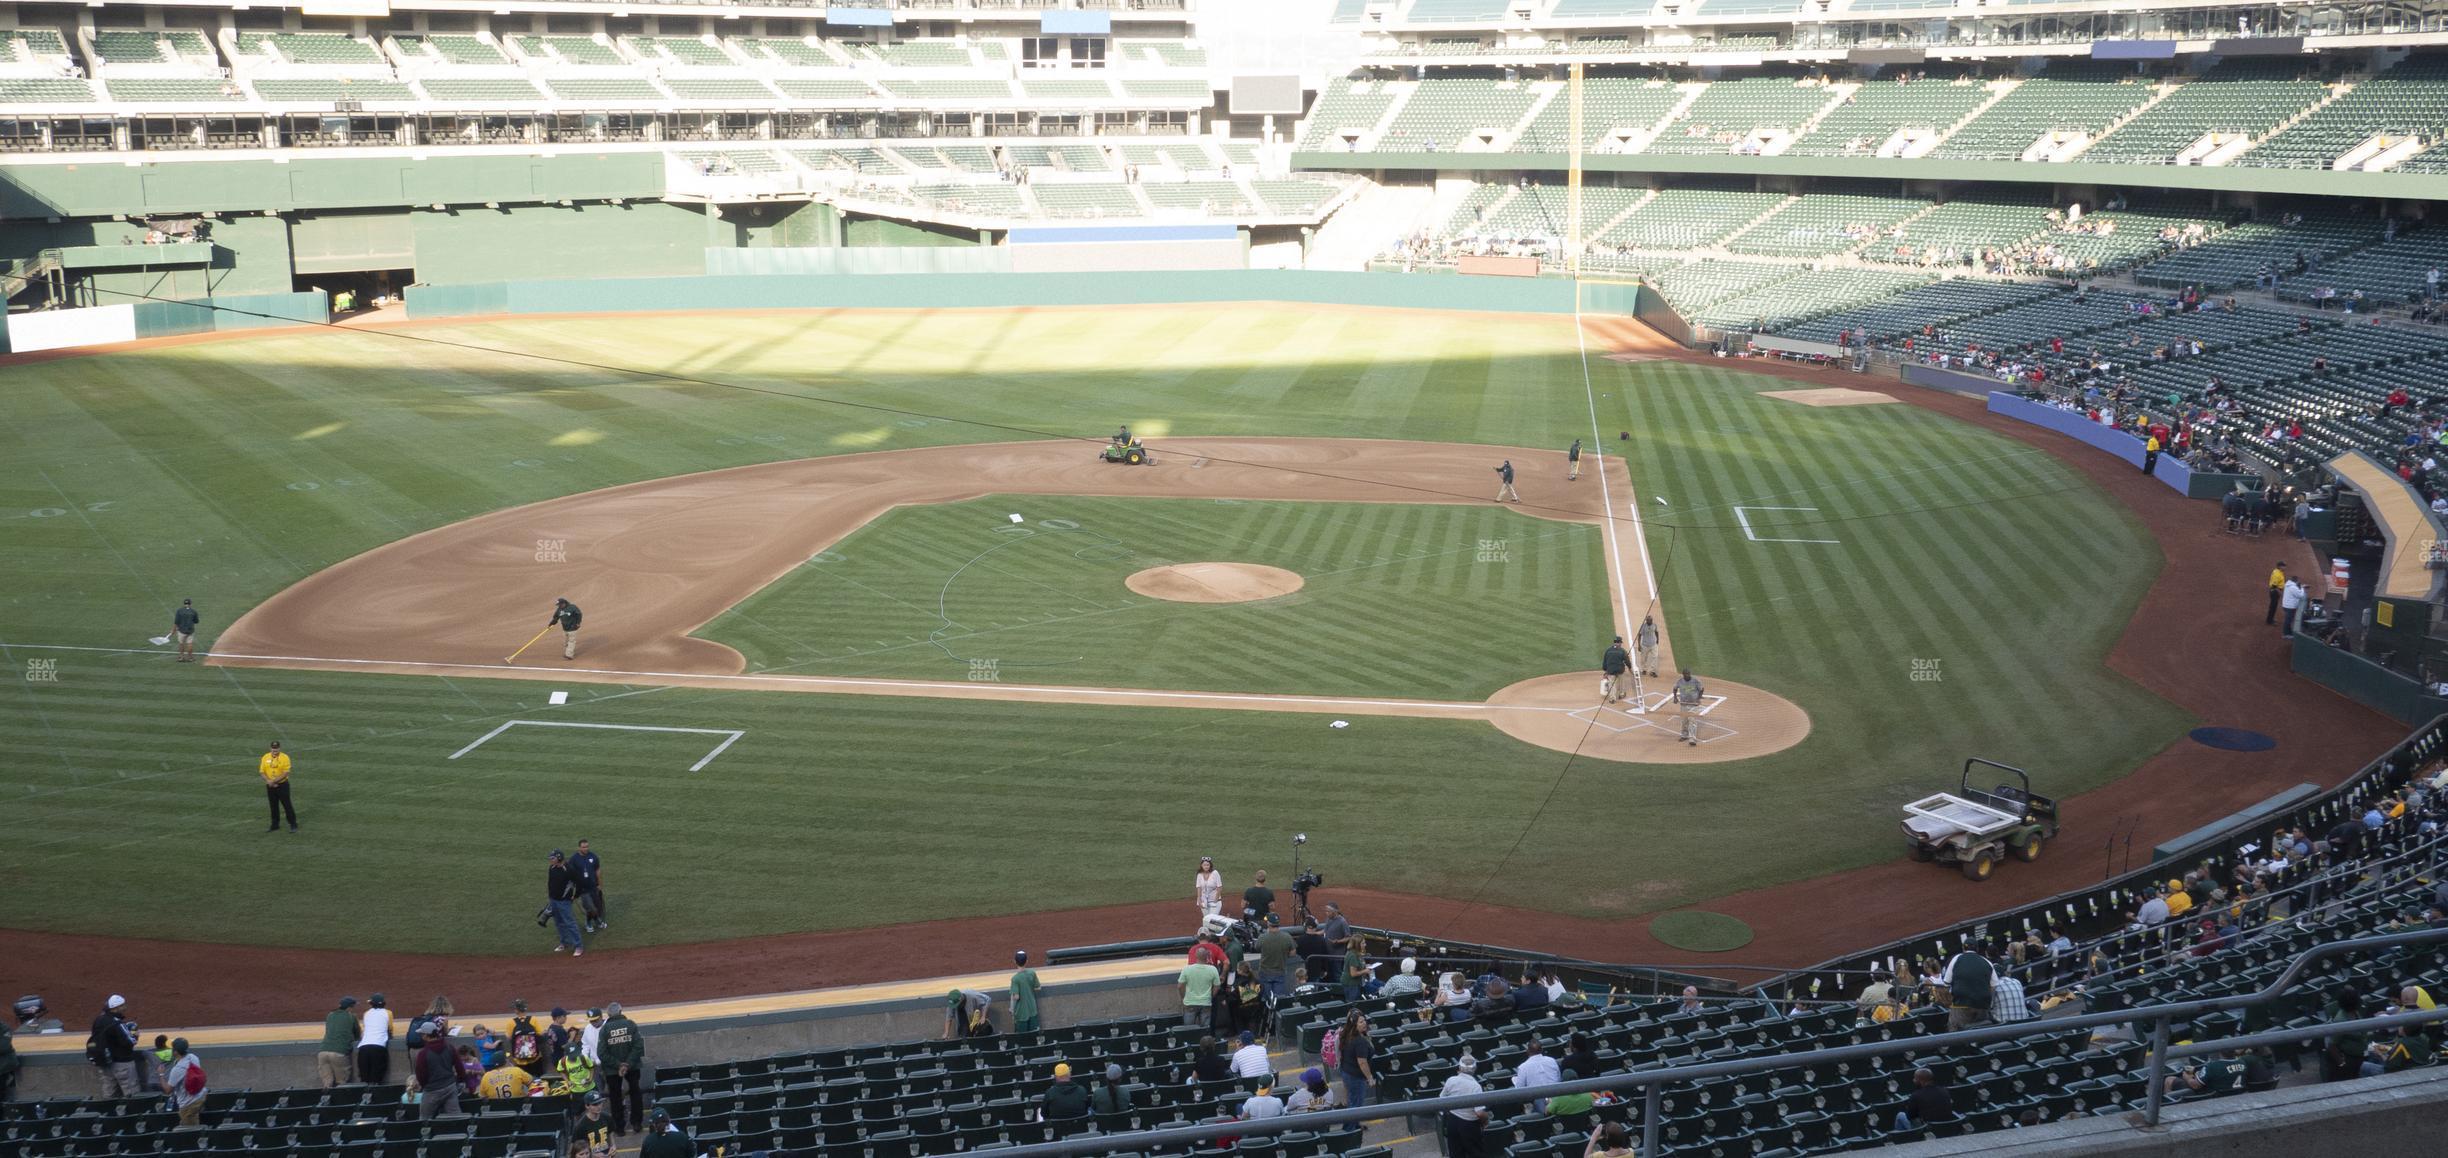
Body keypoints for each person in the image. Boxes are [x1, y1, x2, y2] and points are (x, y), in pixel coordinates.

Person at [597, 1002, 644, 1133]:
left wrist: (618, 1065)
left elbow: (601, 1053)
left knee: (615, 1097)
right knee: (635, 1092)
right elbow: (638, 1046)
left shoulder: (605, 1030)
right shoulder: (630, 1024)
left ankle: (619, 1127)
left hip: (612, 1070)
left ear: (608, 1015)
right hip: (632, 1066)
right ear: (621, 1011)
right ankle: (637, 1123)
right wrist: (627, 1064)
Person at [1442, 1053, 1490, 1158]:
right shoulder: (1476, 1086)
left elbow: (1442, 1100)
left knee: (1455, 1154)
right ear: (1475, 1069)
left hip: (1453, 1123)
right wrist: (1486, 1121)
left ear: (1459, 1067)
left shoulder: (1451, 1080)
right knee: (1476, 1154)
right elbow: (1479, 1113)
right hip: (1470, 1126)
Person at [413, 1023, 461, 1119]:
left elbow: (421, 1075)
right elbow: (459, 1066)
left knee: (424, 1119)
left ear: (426, 1035)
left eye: (422, 1034)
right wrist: (461, 1080)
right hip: (450, 1087)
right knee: (456, 1118)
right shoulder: (449, 1047)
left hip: (431, 1090)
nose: (421, 1036)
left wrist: (425, 1086)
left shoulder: (423, 1054)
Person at [1940, 948, 1993, 1032]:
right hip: (1982, 1005)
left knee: (1955, 1030)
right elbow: (1994, 986)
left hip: (1962, 1005)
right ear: (1977, 949)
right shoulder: (1985, 961)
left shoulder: (1957, 959)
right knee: (1982, 1029)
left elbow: (1946, 984)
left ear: (1964, 949)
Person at [1894, 1067, 1956, 1133]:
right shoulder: (1944, 1091)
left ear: (1920, 1081)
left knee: (1900, 1115)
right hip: (1947, 1127)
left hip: (1927, 1130)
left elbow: (1910, 1117)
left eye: (1915, 1078)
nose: (1913, 1080)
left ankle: (1902, 1140)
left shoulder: (1916, 1095)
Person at [546, 850, 584, 957]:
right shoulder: (552, 868)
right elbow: (550, 883)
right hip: (553, 901)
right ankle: (564, 943)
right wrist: (550, 897)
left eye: (552, 858)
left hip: (564, 902)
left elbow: (579, 882)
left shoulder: (569, 870)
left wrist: (575, 895)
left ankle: (578, 946)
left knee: (570, 923)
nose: (550, 860)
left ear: (559, 858)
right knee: (559, 923)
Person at [1336, 1009, 1375, 1108]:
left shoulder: (1347, 1034)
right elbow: (1362, 1062)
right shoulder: (1359, 1041)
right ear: (1354, 1025)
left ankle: (1353, 1124)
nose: (1364, 1023)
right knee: (1356, 1105)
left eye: (1364, 1020)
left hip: (1347, 1072)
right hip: (1355, 1077)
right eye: (1361, 1022)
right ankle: (1351, 1124)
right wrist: (1370, 1078)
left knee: (1352, 1102)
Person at [317, 997, 358, 1088]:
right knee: (342, 1084)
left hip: (322, 1052)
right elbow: (357, 1035)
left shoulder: (330, 1015)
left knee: (327, 1084)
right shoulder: (351, 1016)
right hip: (339, 1052)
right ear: (349, 1008)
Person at [1039, 1063, 1092, 1134]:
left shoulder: (1049, 1093)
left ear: (1056, 1077)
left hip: (1058, 1133)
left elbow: (1043, 1114)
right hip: (1081, 1131)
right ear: (1069, 1074)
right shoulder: (1082, 1090)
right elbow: (1087, 1108)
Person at [164, 1038, 206, 1127]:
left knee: (190, 1132)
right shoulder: (193, 1057)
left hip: (188, 1104)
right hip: (200, 1097)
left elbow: (168, 1090)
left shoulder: (178, 1069)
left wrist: (160, 1074)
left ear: (175, 1052)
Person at [259, 739, 297, 833]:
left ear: (279, 748)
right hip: (270, 785)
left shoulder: (285, 757)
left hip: (282, 785)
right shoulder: (265, 757)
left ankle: (293, 824)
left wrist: (273, 781)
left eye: (276, 748)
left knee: (287, 805)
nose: (274, 750)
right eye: (273, 748)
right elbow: (261, 771)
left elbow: (286, 773)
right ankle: (275, 825)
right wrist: (268, 781)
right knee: (273, 806)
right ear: (270, 748)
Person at [355, 993, 392, 1085]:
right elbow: (390, 1029)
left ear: (371, 1004)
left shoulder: (366, 1013)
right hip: (378, 1047)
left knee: (364, 1079)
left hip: (363, 1048)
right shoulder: (388, 1013)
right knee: (377, 1079)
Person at [571, 839, 606, 933]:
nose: (586, 848)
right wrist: (573, 889)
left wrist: (600, 884)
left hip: (594, 887)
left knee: (597, 907)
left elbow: (597, 870)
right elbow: (570, 874)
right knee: (591, 908)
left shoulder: (593, 856)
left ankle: (597, 921)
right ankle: (589, 923)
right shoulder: (574, 859)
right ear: (579, 847)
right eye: (583, 847)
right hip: (583, 889)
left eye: (587, 846)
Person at [1255, 920, 1295, 1002]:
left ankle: (1266, 1013)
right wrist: (1283, 954)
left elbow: (1257, 948)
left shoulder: (1262, 937)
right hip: (1280, 971)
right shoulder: (1287, 936)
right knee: (1278, 1000)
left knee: (1266, 999)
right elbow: (1293, 953)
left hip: (1265, 972)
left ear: (1269, 924)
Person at [1179, 957, 1221, 1031]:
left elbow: (1180, 986)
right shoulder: (1213, 969)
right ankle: (1206, 1042)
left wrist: (1183, 997)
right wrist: (1211, 997)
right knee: (1205, 1030)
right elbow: (1217, 986)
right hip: (1206, 1002)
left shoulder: (1186, 969)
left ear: (1196, 957)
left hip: (1190, 1003)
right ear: (1207, 958)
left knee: (1188, 1030)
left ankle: (1191, 1042)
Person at [573, 1090, 616, 1157]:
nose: (599, 1106)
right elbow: (575, 1149)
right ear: (587, 1106)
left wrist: (613, 1146)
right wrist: (593, 1155)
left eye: (600, 1103)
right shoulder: (580, 1126)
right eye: (595, 1104)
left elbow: (610, 1132)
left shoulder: (607, 1117)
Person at [1010, 950, 1043, 1034]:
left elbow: (1016, 997)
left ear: (1015, 962)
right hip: (1032, 1009)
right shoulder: (1032, 973)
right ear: (1027, 961)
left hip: (1021, 1013)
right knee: (1034, 1035)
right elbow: (1038, 987)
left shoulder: (1015, 979)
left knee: (1022, 1037)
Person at [1671, 668, 1705, 746]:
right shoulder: (1680, 681)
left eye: (1688, 674)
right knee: (1684, 721)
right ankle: (1684, 735)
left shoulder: (1696, 681)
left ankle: (1692, 739)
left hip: (1693, 704)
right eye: (1685, 674)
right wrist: (1675, 697)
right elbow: (1675, 688)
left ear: (1690, 673)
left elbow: (1702, 689)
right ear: (1683, 675)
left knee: (1692, 721)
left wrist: (1698, 699)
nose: (1687, 675)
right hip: (1683, 704)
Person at [1599, 636, 1632, 705]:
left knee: (1612, 684)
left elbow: (1605, 662)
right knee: (1621, 681)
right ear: (1619, 643)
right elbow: (1627, 660)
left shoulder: (1608, 650)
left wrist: (1606, 670)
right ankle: (1621, 694)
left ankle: (1612, 699)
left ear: (1614, 642)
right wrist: (1629, 667)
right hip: (1620, 670)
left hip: (1611, 670)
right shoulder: (1622, 651)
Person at [172, 598, 200, 663]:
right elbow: (196, 621)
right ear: (190, 604)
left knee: (181, 644)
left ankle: (181, 657)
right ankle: (190, 658)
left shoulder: (179, 611)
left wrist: (173, 630)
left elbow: (176, 622)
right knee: (189, 644)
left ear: (184, 603)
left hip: (181, 630)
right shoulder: (193, 611)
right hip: (190, 631)